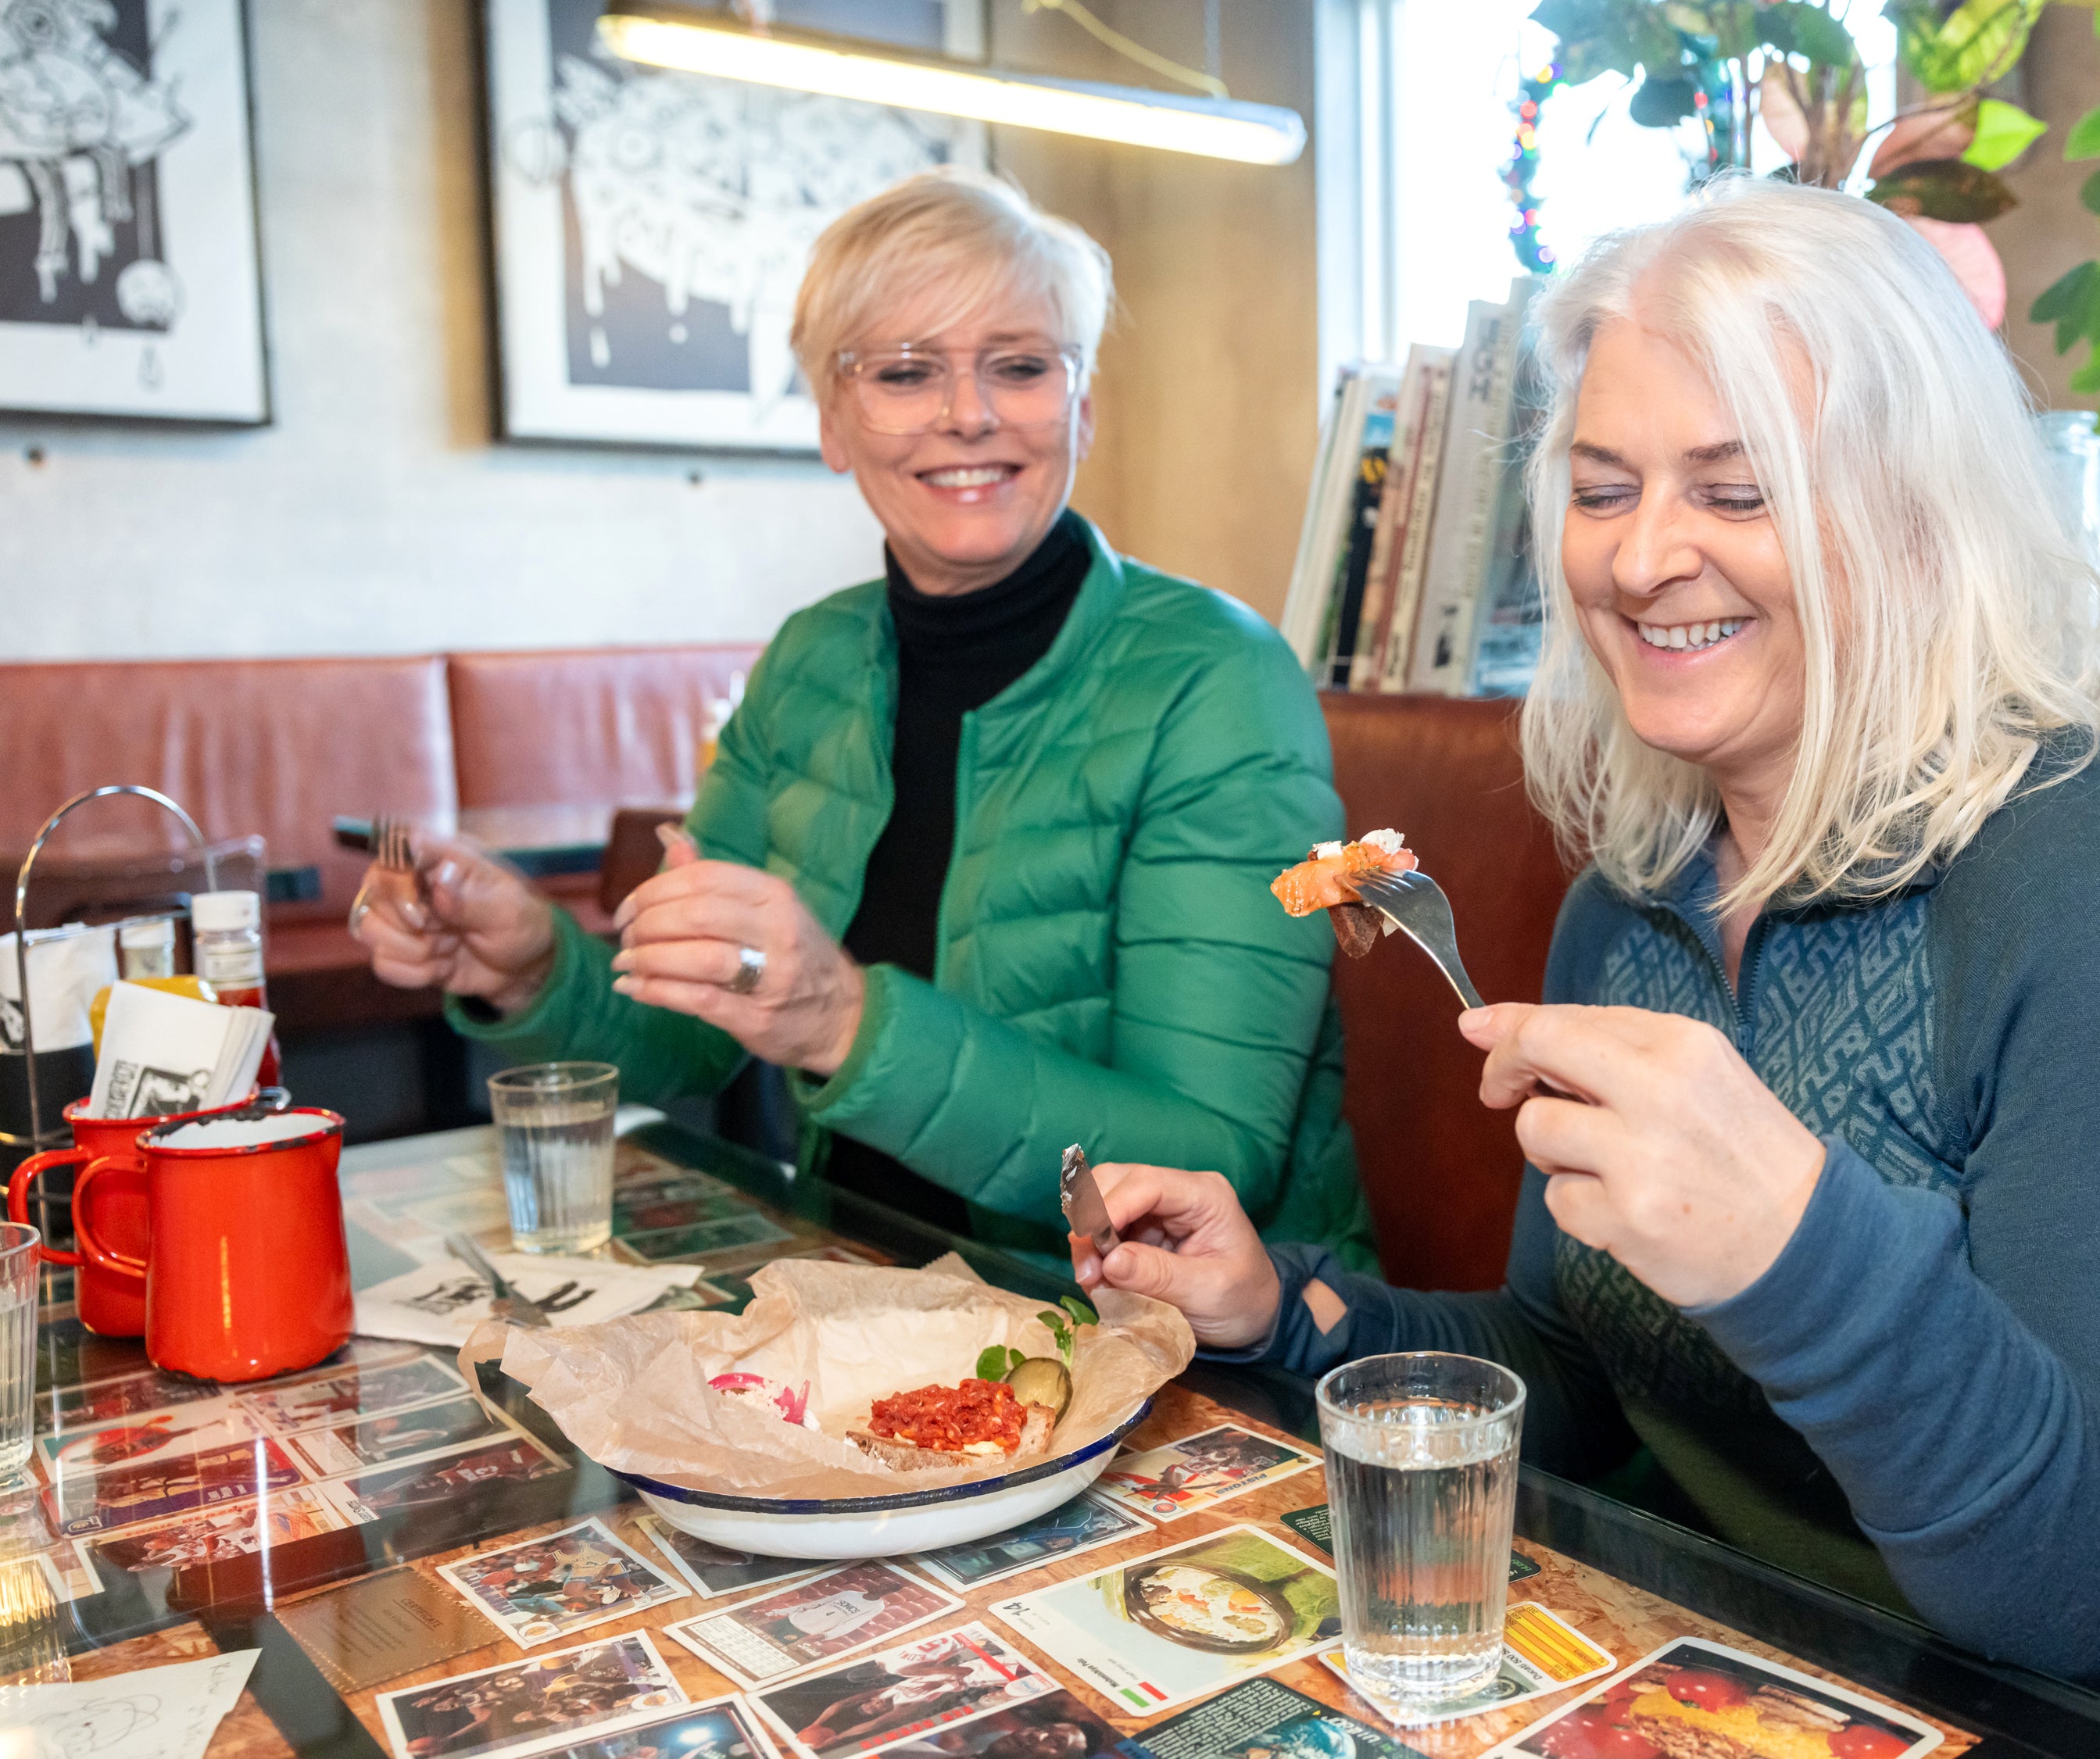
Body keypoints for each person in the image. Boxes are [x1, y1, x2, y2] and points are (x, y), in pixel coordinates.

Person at [1075, 179, 2100, 1757]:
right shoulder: (1628, 896)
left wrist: (1801, 1257)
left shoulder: (2093, 880)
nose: (1645, 558)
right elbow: (1587, 1376)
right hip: (1796, 1698)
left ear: (1908, 510)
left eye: (1736, 495)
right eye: (1603, 490)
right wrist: (1287, 1317)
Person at [350, 169, 1374, 1266]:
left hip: (1171, 1342)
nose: (968, 413)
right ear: (835, 424)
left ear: (1080, 407)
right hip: (867, 1294)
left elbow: (1214, 1156)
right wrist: (532, 969)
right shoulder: (811, 660)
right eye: (905, 371)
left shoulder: (1217, 679)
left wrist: (842, 1022)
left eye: (1020, 366)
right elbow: (694, 1036)